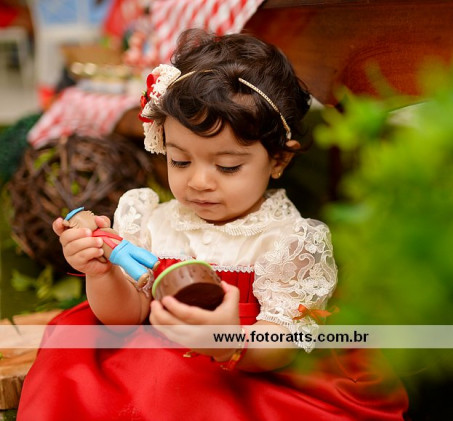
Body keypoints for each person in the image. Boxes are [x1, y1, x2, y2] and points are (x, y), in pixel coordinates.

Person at [18, 29, 408, 420]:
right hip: (145, 367)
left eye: (227, 166)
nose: (199, 181)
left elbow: (282, 343)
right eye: (180, 161)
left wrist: (227, 343)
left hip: (245, 373)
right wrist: (101, 272)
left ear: (278, 160)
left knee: (178, 392)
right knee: (78, 377)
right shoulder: (152, 220)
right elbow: (125, 318)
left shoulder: (289, 241)